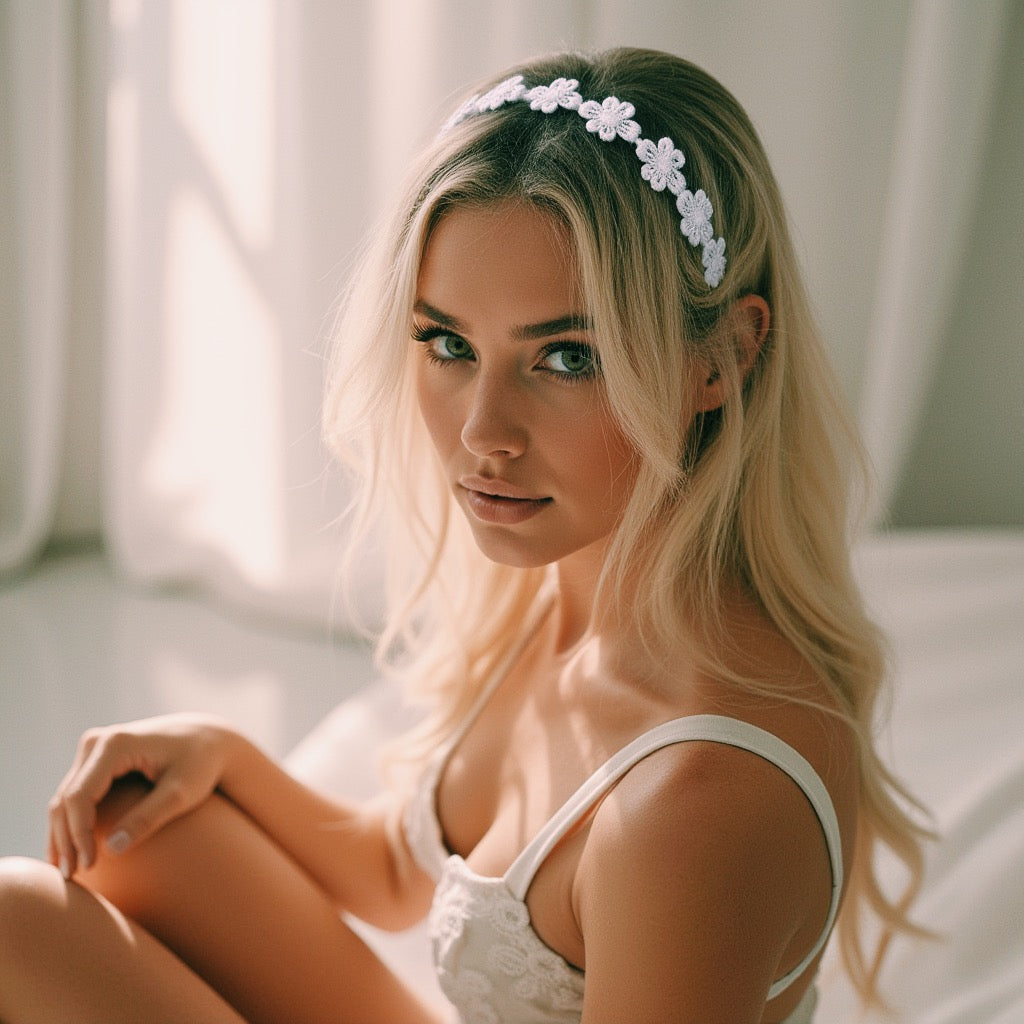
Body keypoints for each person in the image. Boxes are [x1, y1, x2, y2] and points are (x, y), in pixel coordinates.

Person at [0, 47, 929, 1024]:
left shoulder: (695, 799)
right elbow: (403, 872)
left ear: (723, 358)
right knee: (133, 832)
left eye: (565, 357)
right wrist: (224, 751)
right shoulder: (573, 599)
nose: (484, 434)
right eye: (448, 344)